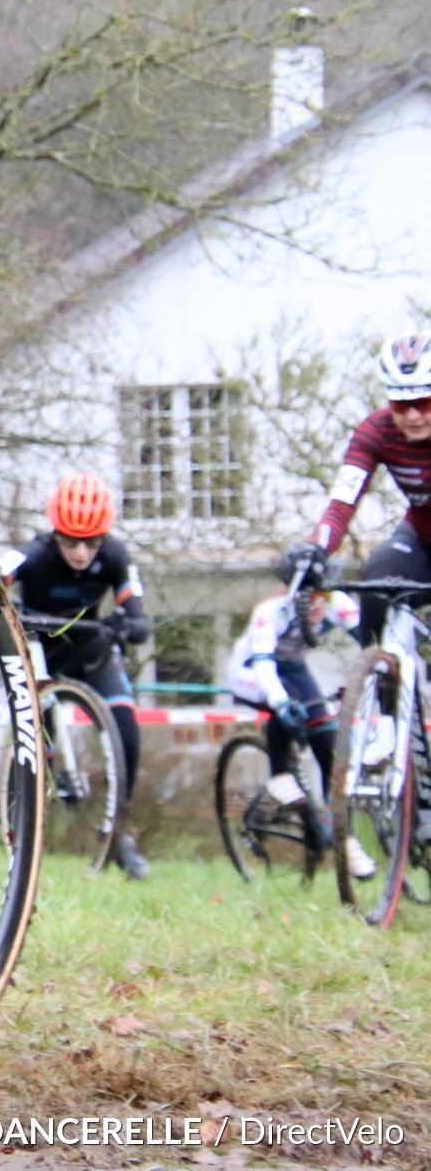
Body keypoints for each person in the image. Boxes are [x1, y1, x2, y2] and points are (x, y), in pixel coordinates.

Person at [0, 472, 154, 878]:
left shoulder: (116, 556)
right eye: (70, 541)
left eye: (91, 542)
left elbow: (137, 612)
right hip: (42, 655)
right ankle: (25, 829)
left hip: (92, 653)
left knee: (127, 730)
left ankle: (120, 834)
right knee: (35, 741)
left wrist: (131, 624)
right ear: (55, 534)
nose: (81, 552)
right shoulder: (36, 553)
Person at [223, 558, 370, 877]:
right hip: (251, 670)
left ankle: (344, 836)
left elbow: (371, 641)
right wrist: (281, 702)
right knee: (286, 704)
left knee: (326, 737)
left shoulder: (336, 603)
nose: (319, 604)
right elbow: (264, 668)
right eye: (310, 597)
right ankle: (279, 776)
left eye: (324, 597)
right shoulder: (270, 614)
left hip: (293, 668)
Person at [291, 331, 431, 646]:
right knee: (379, 578)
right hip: (422, 539)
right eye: (401, 402)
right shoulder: (375, 432)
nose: (412, 415)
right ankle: (378, 679)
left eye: (423, 402)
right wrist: (317, 550)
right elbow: (343, 501)